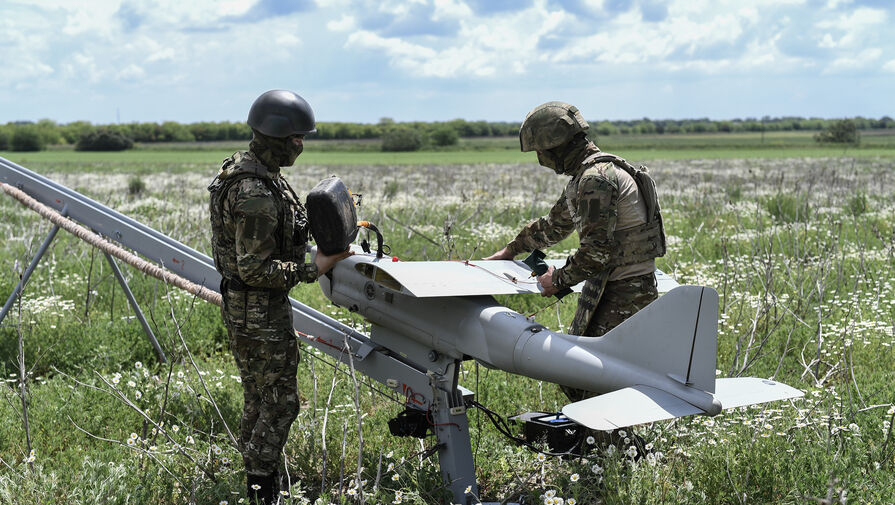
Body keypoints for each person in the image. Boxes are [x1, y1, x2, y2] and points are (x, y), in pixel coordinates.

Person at [208, 90, 351, 504]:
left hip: (250, 307)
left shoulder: (257, 171)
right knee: (281, 404)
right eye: (295, 139)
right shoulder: (254, 191)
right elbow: (255, 269)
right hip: (258, 310)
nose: (300, 146)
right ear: (275, 136)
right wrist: (317, 266)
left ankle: (256, 478)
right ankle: (261, 488)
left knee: (259, 399)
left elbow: (279, 232)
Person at [485, 101, 666, 402]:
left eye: (539, 152)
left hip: (622, 292)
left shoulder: (595, 179)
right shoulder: (592, 174)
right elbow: (554, 225)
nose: (540, 160)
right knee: (585, 381)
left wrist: (557, 279)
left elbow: (597, 253)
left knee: (593, 383)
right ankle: (606, 447)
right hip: (618, 288)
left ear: (555, 147)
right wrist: (512, 249)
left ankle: (616, 448)